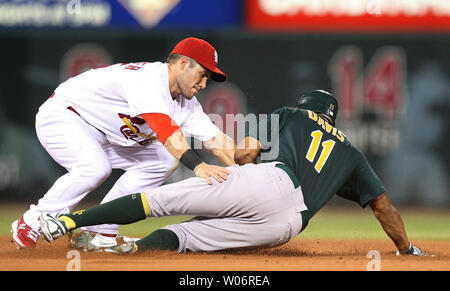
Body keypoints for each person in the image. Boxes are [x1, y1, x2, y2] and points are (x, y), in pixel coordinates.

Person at [39, 90, 428, 256]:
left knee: (159, 201)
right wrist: (405, 248)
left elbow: (246, 153)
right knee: (187, 237)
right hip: (287, 226)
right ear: (334, 117)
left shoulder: (293, 115)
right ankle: (136, 250)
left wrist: (243, 171)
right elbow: (384, 207)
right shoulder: (352, 153)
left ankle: (70, 221)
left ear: (307, 106)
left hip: (269, 180)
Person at [11, 37, 237, 249]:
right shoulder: (149, 80)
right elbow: (169, 136)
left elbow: (218, 142)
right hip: (66, 117)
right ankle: (32, 221)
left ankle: (100, 231)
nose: (204, 83)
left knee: (164, 160)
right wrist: (199, 166)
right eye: (202, 74)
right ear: (183, 63)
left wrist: (250, 174)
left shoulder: (187, 104)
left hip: (108, 136)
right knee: (94, 168)